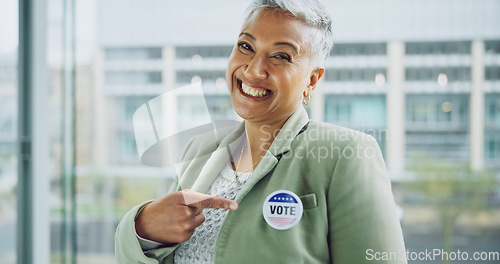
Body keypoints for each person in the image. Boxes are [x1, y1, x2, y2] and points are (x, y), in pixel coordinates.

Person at [115, 0, 407, 263]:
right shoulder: (199, 149)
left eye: (281, 56)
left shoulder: (347, 154)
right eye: (246, 46)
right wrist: (142, 228)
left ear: (313, 80)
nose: (254, 70)